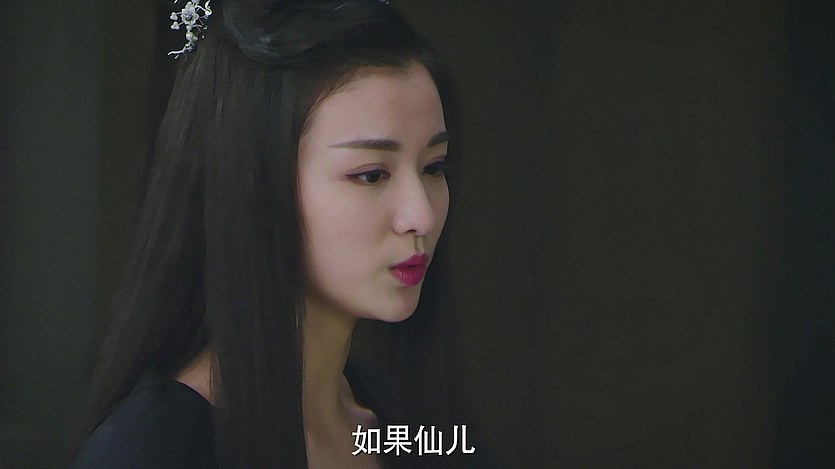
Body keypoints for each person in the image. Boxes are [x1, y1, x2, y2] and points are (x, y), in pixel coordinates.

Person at [67, 0, 492, 468]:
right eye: (371, 174)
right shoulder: (154, 450)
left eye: (434, 167)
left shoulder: (406, 428)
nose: (421, 216)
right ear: (252, 183)